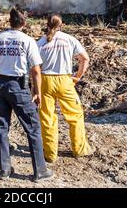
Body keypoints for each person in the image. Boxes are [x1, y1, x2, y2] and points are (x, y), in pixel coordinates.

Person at [0, 7, 54, 183]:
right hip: (19, 86)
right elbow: (36, 70)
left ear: (9, 22)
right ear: (24, 23)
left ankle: (4, 170)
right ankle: (40, 171)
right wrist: (37, 91)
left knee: (2, 128)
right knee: (33, 128)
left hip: (1, 84)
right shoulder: (27, 41)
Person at [37, 14, 92, 163]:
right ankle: (79, 150)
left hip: (45, 80)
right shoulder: (69, 39)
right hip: (65, 81)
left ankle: (50, 154)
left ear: (47, 24)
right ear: (62, 25)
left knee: (47, 118)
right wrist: (78, 76)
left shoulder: (41, 42)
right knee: (75, 115)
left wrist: (34, 87)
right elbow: (85, 59)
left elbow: (35, 67)